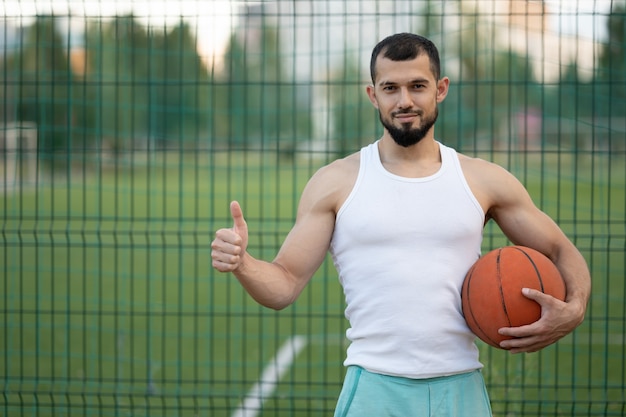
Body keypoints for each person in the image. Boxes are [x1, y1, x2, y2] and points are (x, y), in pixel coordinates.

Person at [211, 33, 591, 416]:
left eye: (417, 86)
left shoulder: (484, 180)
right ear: (372, 95)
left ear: (440, 89)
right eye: (390, 88)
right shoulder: (335, 183)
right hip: (374, 388)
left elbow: (560, 250)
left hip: (461, 391)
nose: (404, 100)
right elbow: (285, 285)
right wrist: (243, 263)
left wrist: (574, 308)